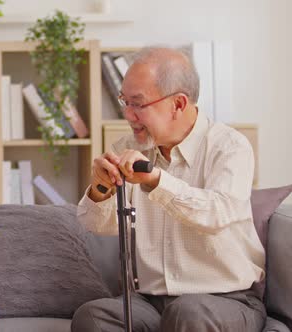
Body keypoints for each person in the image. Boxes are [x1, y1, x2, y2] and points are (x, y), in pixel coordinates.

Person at [72, 47, 266, 332]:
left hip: (226, 299)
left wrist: (155, 180)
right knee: (93, 317)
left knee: (188, 314)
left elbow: (217, 213)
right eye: (124, 101)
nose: (127, 114)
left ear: (178, 103)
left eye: (137, 103)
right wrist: (101, 187)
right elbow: (96, 225)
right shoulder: (126, 149)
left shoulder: (229, 146)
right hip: (151, 302)